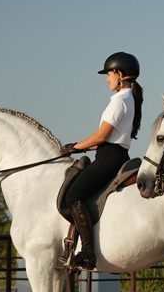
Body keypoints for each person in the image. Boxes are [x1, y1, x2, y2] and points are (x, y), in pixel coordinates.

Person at [59, 52, 144, 270]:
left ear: (120, 74)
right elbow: (106, 140)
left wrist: (76, 147)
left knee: (72, 196)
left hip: (109, 158)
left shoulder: (120, 101)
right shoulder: (129, 99)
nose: (107, 79)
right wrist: (80, 146)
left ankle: (88, 253)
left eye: (109, 74)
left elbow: (101, 136)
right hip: (114, 153)